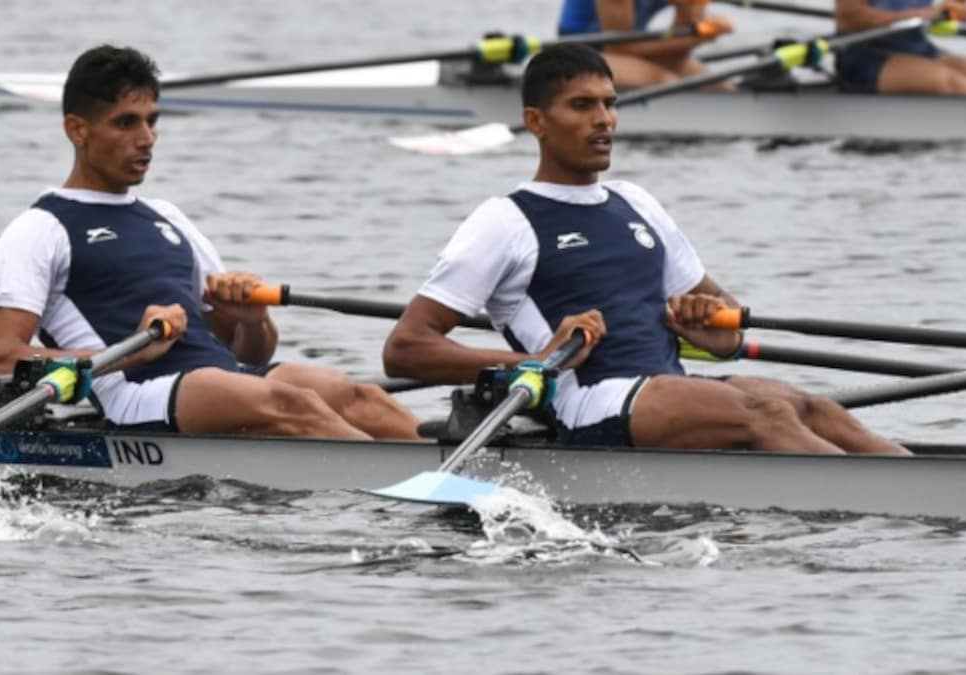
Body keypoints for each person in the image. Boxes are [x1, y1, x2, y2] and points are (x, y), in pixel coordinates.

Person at [381, 43, 909, 456]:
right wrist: (533, 362)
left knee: (810, 406)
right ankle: (890, 510)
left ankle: (934, 488)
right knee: (766, 415)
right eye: (582, 106)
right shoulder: (504, 220)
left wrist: (712, 330)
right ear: (537, 121)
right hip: (590, 399)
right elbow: (406, 348)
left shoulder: (636, 202)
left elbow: (726, 334)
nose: (604, 120)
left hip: (664, 389)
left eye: (611, 104)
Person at [0, 45, 419, 441]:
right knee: (296, 404)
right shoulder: (40, 229)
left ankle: (459, 479)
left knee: (354, 395)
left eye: (152, 120)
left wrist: (252, 321)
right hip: (137, 394)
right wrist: (132, 350)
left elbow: (248, 351)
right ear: (77, 131)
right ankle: (411, 496)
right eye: (125, 123)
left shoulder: (167, 218)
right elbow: (3, 360)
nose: (147, 138)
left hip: (219, 377)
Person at [556, 0, 735, 90]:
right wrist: (699, 37)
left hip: (629, 48)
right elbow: (618, 47)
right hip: (583, 53)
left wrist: (691, 7)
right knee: (668, 83)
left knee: (718, 86)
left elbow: (682, 42)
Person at [834, 0, 966, 96]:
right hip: (864, 54)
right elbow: (849, 19)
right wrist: (922, 14)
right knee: (955, 85)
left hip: (917, 47)